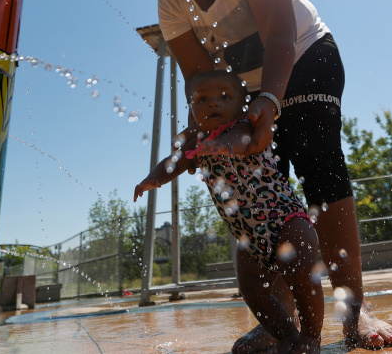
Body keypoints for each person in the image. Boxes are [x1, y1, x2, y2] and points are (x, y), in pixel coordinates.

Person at [122, 0, 392, 351]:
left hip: (305, 53)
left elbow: (279, 37)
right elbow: (204, 85)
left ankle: (355, 311)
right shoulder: (170, 3)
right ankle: (281, 314)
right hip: (247, 87)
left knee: (317, 166)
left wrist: (270, 105)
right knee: (260, 191)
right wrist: (200, 143)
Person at [135, 70, 323, 354]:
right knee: (251, 290)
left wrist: (223, 146)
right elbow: (174, 162)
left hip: (286, 221)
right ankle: (286, 335)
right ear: (191, 110)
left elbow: (242, 142)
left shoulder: (244, 127)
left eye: (224, 97)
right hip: (247, 237)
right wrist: (154, 178)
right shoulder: (197, 145)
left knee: (302, 277)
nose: (213, 104)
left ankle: (311, 337)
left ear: (241, 105)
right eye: (202, 99)